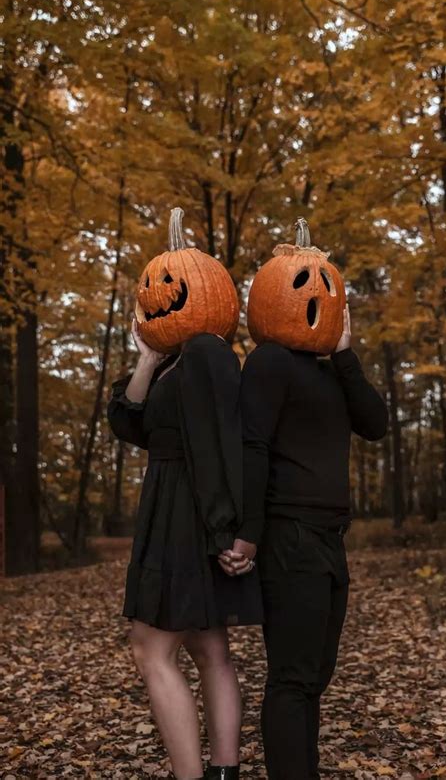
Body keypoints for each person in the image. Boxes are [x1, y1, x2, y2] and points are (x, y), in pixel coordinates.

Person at [220, 303, 389, 780]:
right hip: (289, 537)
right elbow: (251, 444)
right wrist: (248, 532)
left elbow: (376, 424)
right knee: (293, 680)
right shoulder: (269, 359)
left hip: (331, 541)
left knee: (315, 678)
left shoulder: (333, 372)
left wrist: (345, 354)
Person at [107, 317, 262, 780]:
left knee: (149, 649)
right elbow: (125, 421)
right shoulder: (170, 363)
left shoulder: (205, 352)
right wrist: (148, 358)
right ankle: (223, 772)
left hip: (188, 512)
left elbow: (220, 445)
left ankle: (193, 775)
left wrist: (223, 530)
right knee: (209, 646)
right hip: (168, 509)